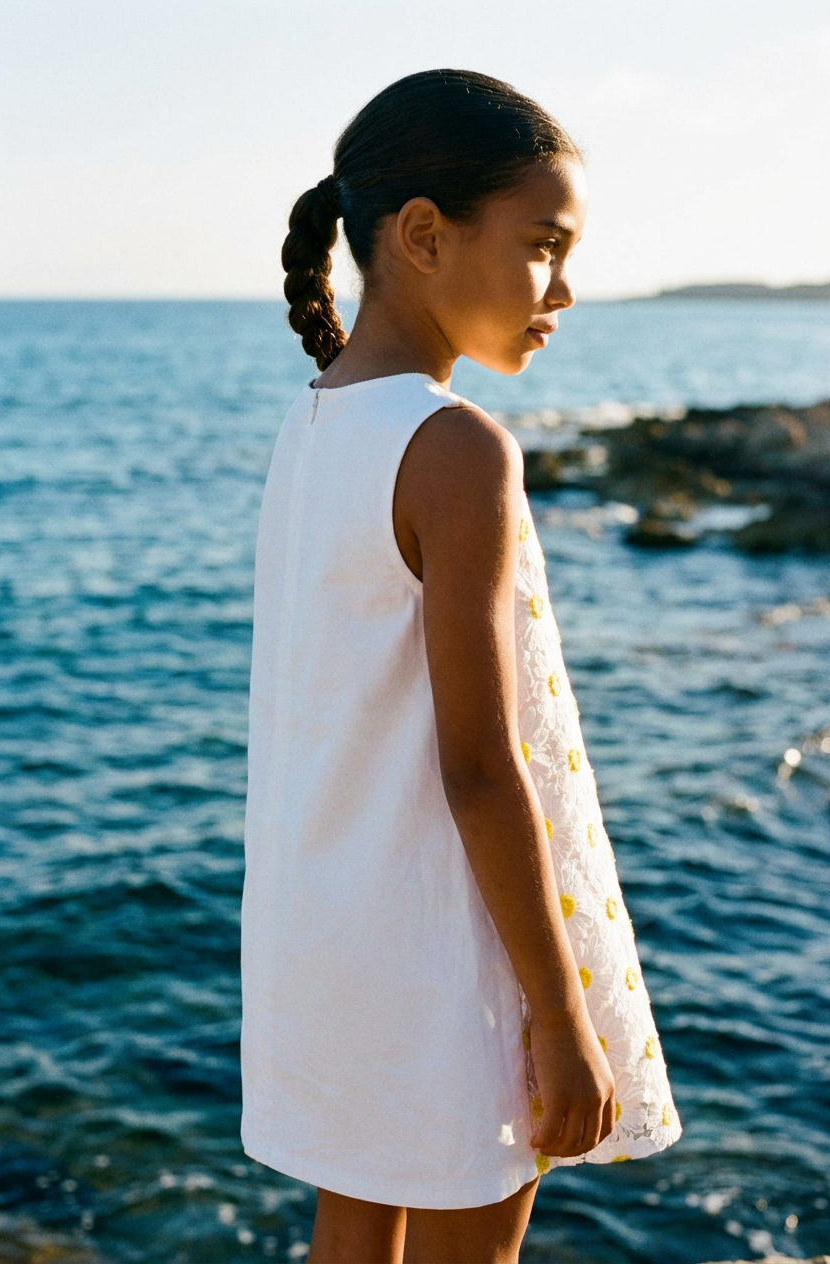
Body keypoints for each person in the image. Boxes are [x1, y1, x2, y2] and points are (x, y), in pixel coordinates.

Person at [240, 69, 681, 1264]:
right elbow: (482, 764)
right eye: (542, 246)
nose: (563, 290)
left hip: (327, 940)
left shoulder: (315, 420)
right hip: (447, 952)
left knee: (354, 1231)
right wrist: (557, 1011)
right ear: (424, 234)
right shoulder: (454, 448)